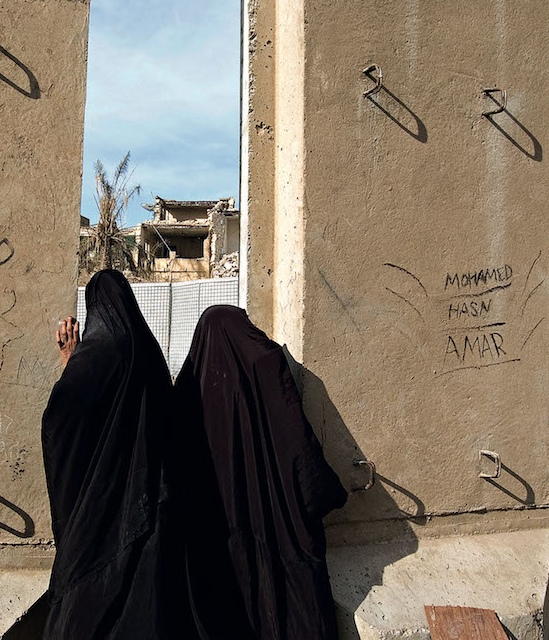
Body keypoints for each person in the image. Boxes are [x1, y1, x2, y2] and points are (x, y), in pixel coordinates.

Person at [174, 305, 347, 640]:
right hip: (273, 534)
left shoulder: (188, 388)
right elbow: (298, 445)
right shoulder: (265, 364)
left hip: (216, 541)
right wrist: (324, 492)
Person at [39, 269, 185, 640]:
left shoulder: (98, 351)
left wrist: (70, 362)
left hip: (102, 516)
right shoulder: (148, 351)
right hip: (150, 505)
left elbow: (63, 417)